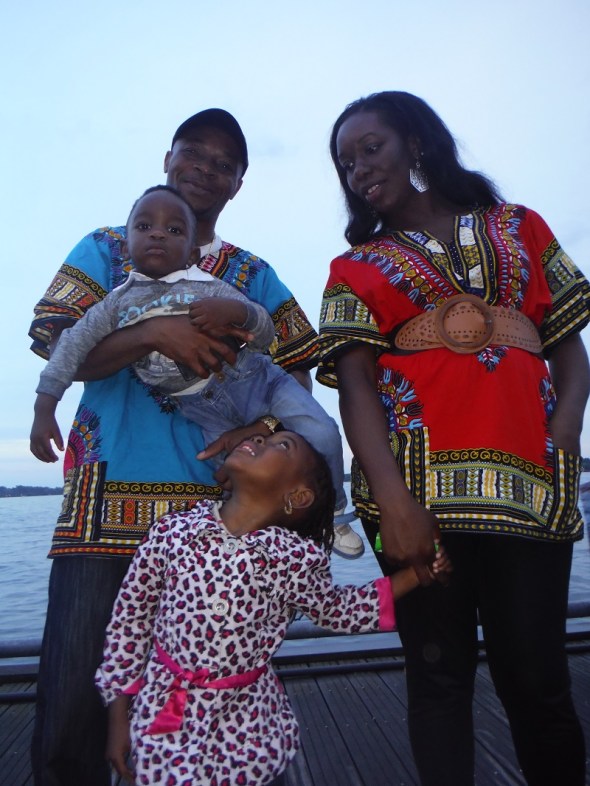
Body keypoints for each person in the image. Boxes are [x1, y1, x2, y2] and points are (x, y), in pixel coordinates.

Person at [28, 109, 361, 786]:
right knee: (71, 709)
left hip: (221, 529)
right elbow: (59, 344)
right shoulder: (108, 246)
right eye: (193, 154)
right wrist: (157, 336)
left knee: (197, 713)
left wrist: (269, 432)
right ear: (167, 159)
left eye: (222, 163)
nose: (204, 169)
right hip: (105, 505)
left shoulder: (251, 274)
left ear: (238, 183)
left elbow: (296, 362)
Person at [316, 91, 590, 786]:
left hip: (530, 486)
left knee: (538, 682)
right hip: (415, 494)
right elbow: (355, 389)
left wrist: (563, 431)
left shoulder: (518, 225)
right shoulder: (353, 269)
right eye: (345, 162)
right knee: (438, 681)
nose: (357, 169)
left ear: (417, 142)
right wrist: (394, 501)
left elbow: (569, 348)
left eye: (369, 148)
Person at [95, 430, 452, 786]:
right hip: (163, 717)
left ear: (296, 496)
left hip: (248, 727)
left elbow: (339, 609)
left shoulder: (294, 559)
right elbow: (130, 619)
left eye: (282, 445)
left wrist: (416, 576)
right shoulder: (172, 531)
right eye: (264, 439)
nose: (261, 441)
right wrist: (117, 713)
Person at [30, 184, 348, 512]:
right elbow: (70, 347)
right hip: (199, 407)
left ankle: (333, 511)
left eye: (173, 230)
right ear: (124, 248)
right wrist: (45, 406)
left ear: (192, 253)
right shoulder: (114, 306)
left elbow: (266, 335)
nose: (157, 234)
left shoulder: (209, 287)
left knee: (321, 433)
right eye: (144, 227)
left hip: (255, 381)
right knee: (227, 473)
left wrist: (240, 312)